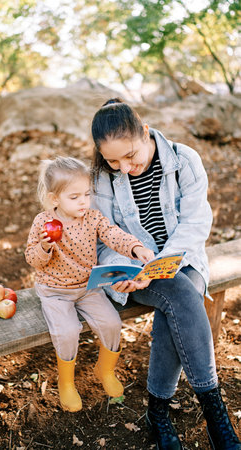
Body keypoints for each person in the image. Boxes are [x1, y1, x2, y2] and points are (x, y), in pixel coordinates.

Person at [91, 98, 241, 450]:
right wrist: (128, 268)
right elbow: (103, 236)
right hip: (132, 272)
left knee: (178, 292)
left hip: (184, 259)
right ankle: (213, 409)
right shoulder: (102, 177)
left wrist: (163, 264)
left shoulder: (184, 159)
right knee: (183, 294)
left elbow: (195, 223)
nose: (124, 168)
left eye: (131, 156)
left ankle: (157, 411)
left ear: (145, 132)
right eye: (113, 160)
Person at [25, 156, 154, 413]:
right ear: (54, 199)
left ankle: (104, 369)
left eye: (86, 194)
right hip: (55, 292)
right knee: (68, 331)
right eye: (74, 197)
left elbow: (112, 234)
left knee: (111, 322)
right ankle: (67, 383)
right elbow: (32, 259)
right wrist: (44, 246)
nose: (83, 201)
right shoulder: (43, 223)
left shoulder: (93, 218)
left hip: (88, 287)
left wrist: (135, 247)